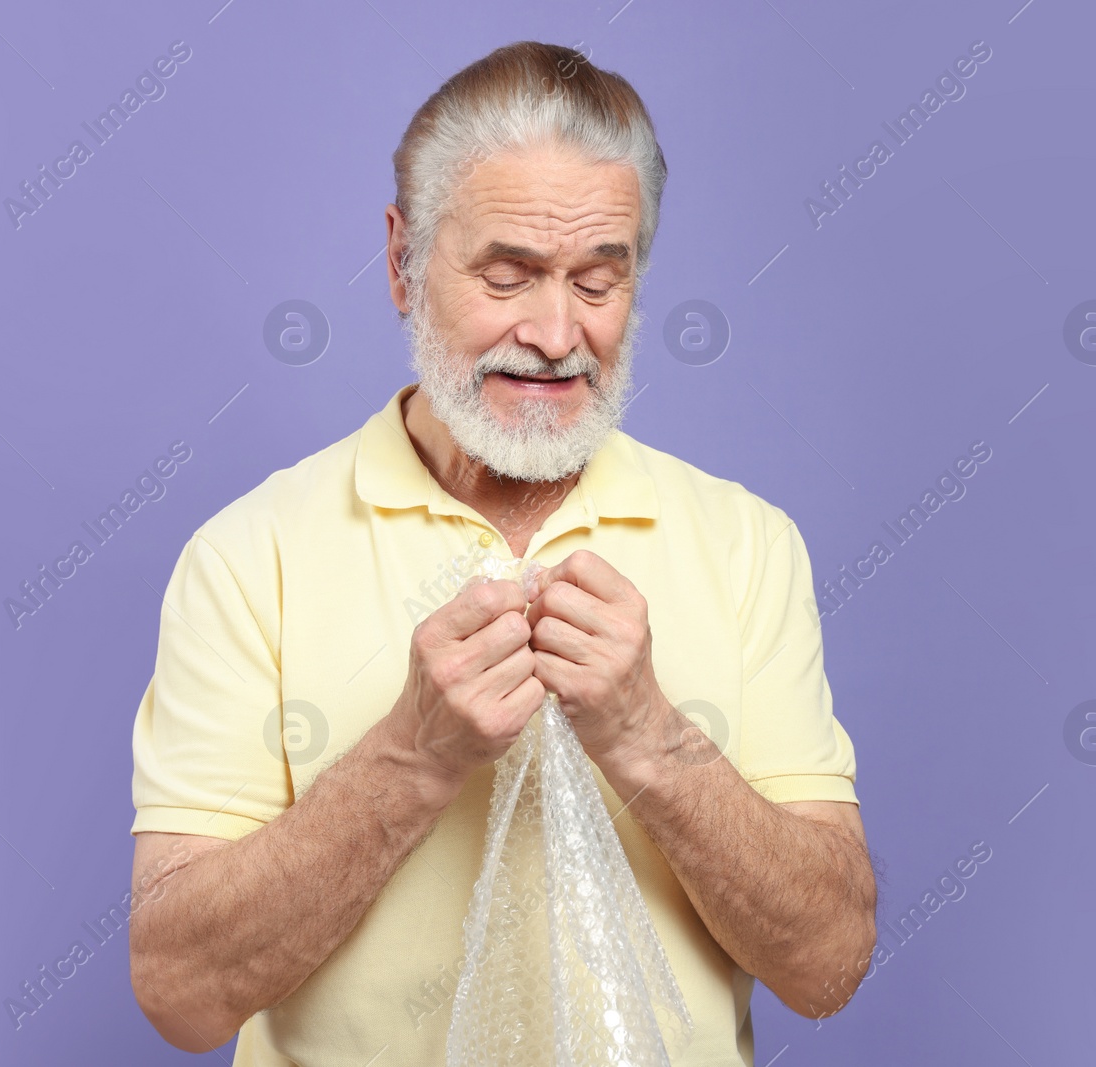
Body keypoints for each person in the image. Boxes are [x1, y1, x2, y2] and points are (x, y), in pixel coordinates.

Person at [127, 40, 877, 1064]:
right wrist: (410, 756)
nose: (556, 332)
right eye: (508, 274)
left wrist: (652, 738)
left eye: (598, 280)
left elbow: (828, 963)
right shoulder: (248, 556)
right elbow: (179, 993)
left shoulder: (746, 545)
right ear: (401, 260)